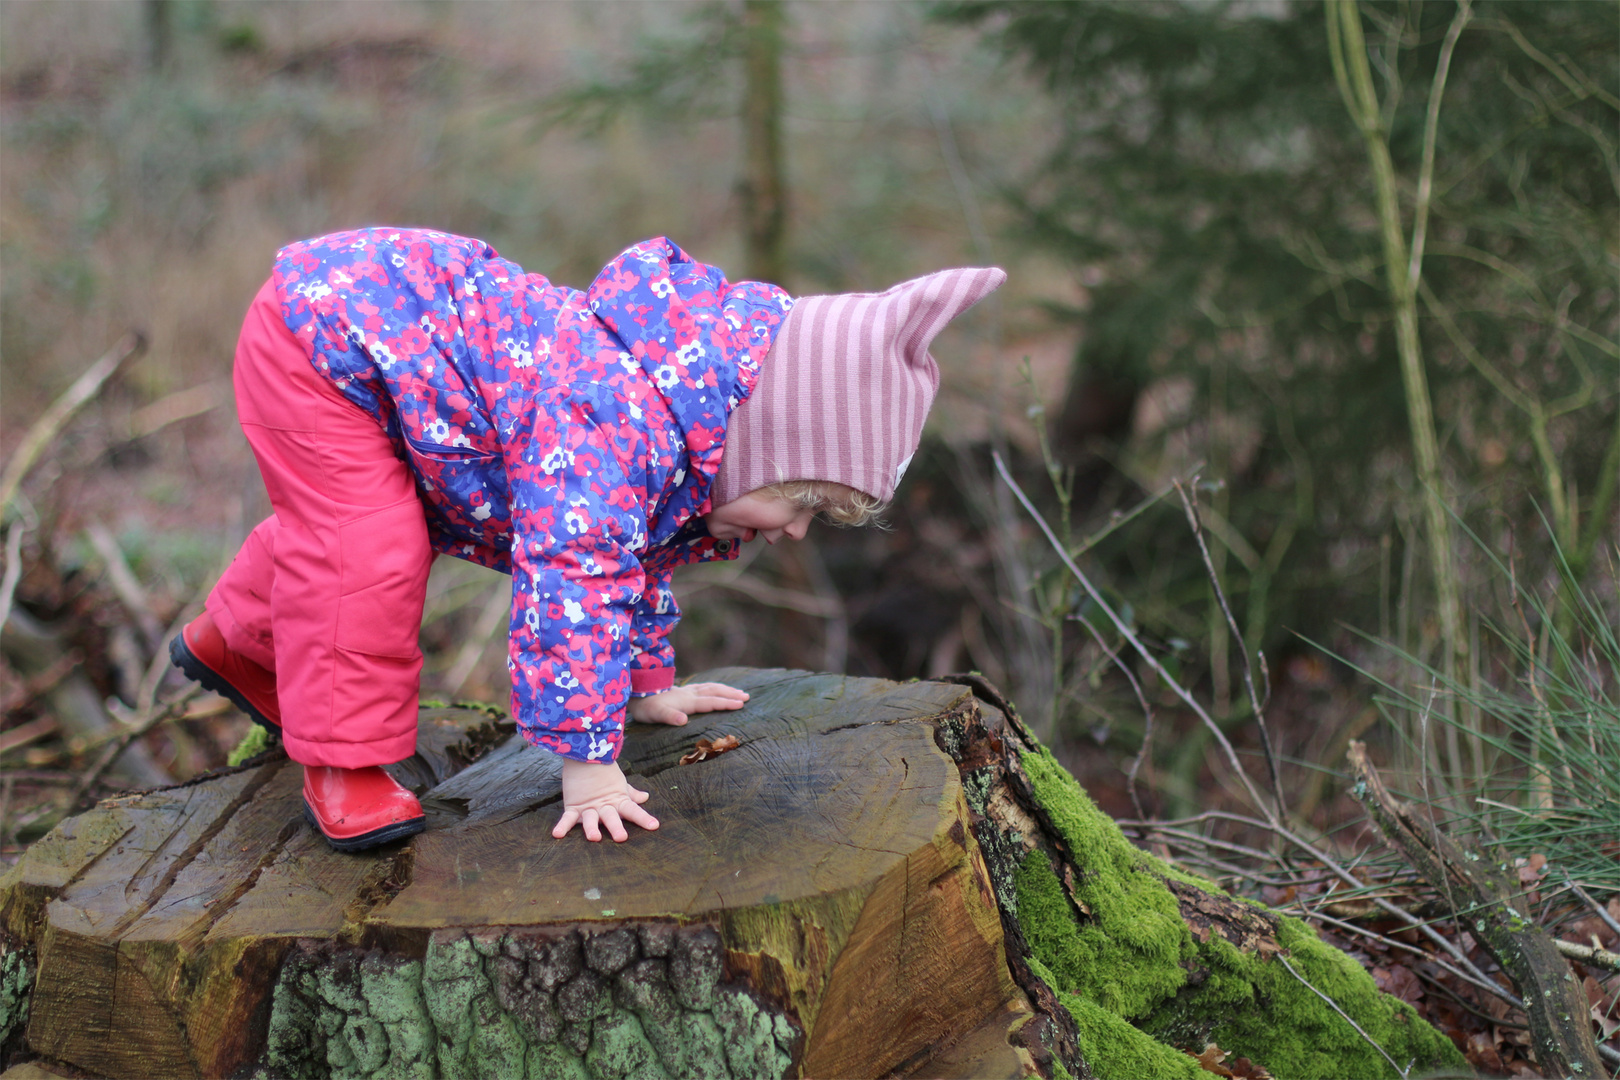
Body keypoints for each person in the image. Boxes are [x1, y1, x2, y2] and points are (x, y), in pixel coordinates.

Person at [170, 227, 1004, 851]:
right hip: (328, 339)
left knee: (368, 525)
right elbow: (574, 578)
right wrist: (589, 760)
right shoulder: (619, 419)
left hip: (410, 368)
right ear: (759, 442)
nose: (792, 533)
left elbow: (627, 556)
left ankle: (238, 642)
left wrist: (641, 683)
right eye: (800, 503)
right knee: (367, 548)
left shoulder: (687, 425)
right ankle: (343, 761)